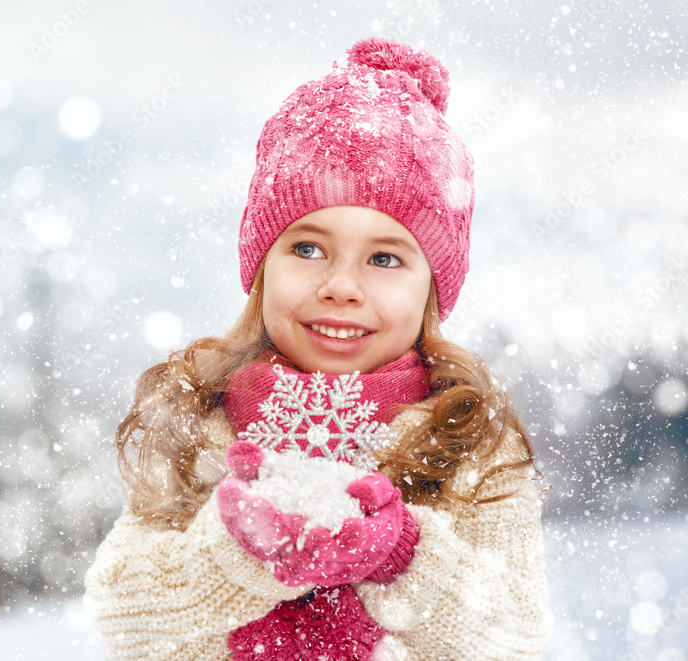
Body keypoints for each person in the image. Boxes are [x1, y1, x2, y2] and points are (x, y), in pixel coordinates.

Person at [84, 36, 552, 660]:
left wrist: (403, 557)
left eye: (385, 258)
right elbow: (122, 615)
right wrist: (235, 558)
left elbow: (514, 637)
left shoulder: (463, 434)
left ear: (432, 290)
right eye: (308, 248)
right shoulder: (203, 419)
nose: (341, 287)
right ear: (261, 267)